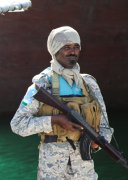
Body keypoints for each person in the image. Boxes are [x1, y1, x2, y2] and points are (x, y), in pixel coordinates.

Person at [10, 26, 113, 179]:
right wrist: (54, 120)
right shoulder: (42, 85)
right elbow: (18, 125)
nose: (73, 51)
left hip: (84, 170)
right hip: (52, 169)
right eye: (67, 47)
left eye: (76, 47)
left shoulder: (89, 84)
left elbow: (104, 124)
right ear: (55, 50)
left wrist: (98, 141)